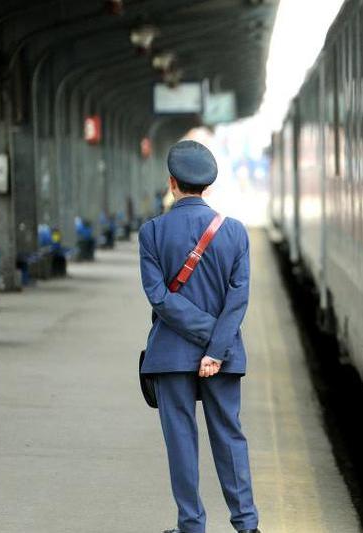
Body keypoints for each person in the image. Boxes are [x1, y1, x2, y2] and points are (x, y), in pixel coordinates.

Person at [138, 140, 260, 533]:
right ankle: (246, 525)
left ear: (172, 183)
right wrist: (217, 346)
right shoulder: (236, 233)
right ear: (207, 186)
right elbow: (238, 301)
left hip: (170, 356)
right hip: (222, 357)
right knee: (229, 438)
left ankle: (191, 526)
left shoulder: (152, 232)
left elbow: (159, 297)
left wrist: (206, 340)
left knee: (181, 441)